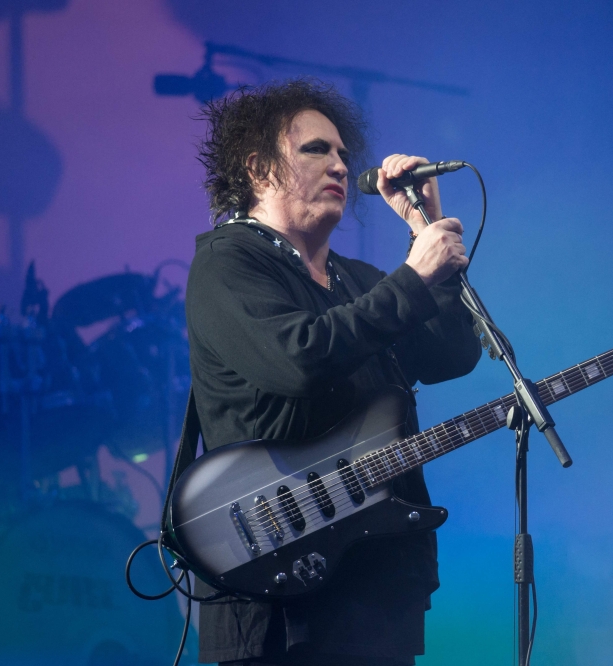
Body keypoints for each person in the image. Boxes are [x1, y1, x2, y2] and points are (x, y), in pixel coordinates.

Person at [185, 79, 481, 666]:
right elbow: (299, 360)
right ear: (259, 169)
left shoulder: (360, 279)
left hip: (374, 581)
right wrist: (412, 279)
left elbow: (451, 358)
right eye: (317, 150)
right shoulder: (228, 262)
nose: (341, 165)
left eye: (345, 154)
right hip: (275, 587)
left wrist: (426, 234)